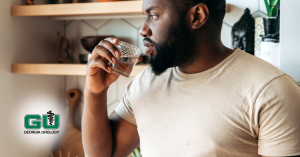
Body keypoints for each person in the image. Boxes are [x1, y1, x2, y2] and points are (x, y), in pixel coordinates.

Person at [82, 0, 300, 156]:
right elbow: (104, 153)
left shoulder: (271, 90)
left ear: (197, 17)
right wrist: (95, 92)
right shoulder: (145, 82)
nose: (143, 29)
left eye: (154, 15)